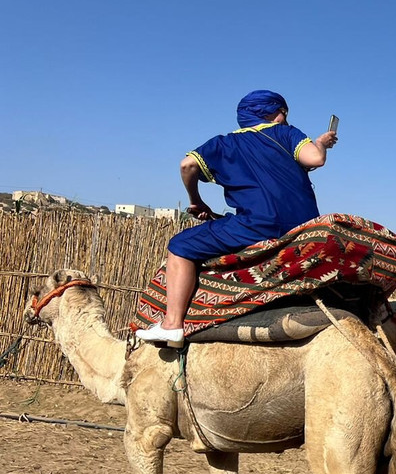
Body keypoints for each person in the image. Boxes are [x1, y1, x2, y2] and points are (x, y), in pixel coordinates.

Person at [134, 90, 338, 346]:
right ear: (278, 114)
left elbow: (187, 165)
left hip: (257, 225)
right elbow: (315, 158)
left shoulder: (223, 144)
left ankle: (172, 325)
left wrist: (195, 200)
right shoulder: (288, 133)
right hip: (305, 228)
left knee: (180, 246)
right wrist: (320, 142)